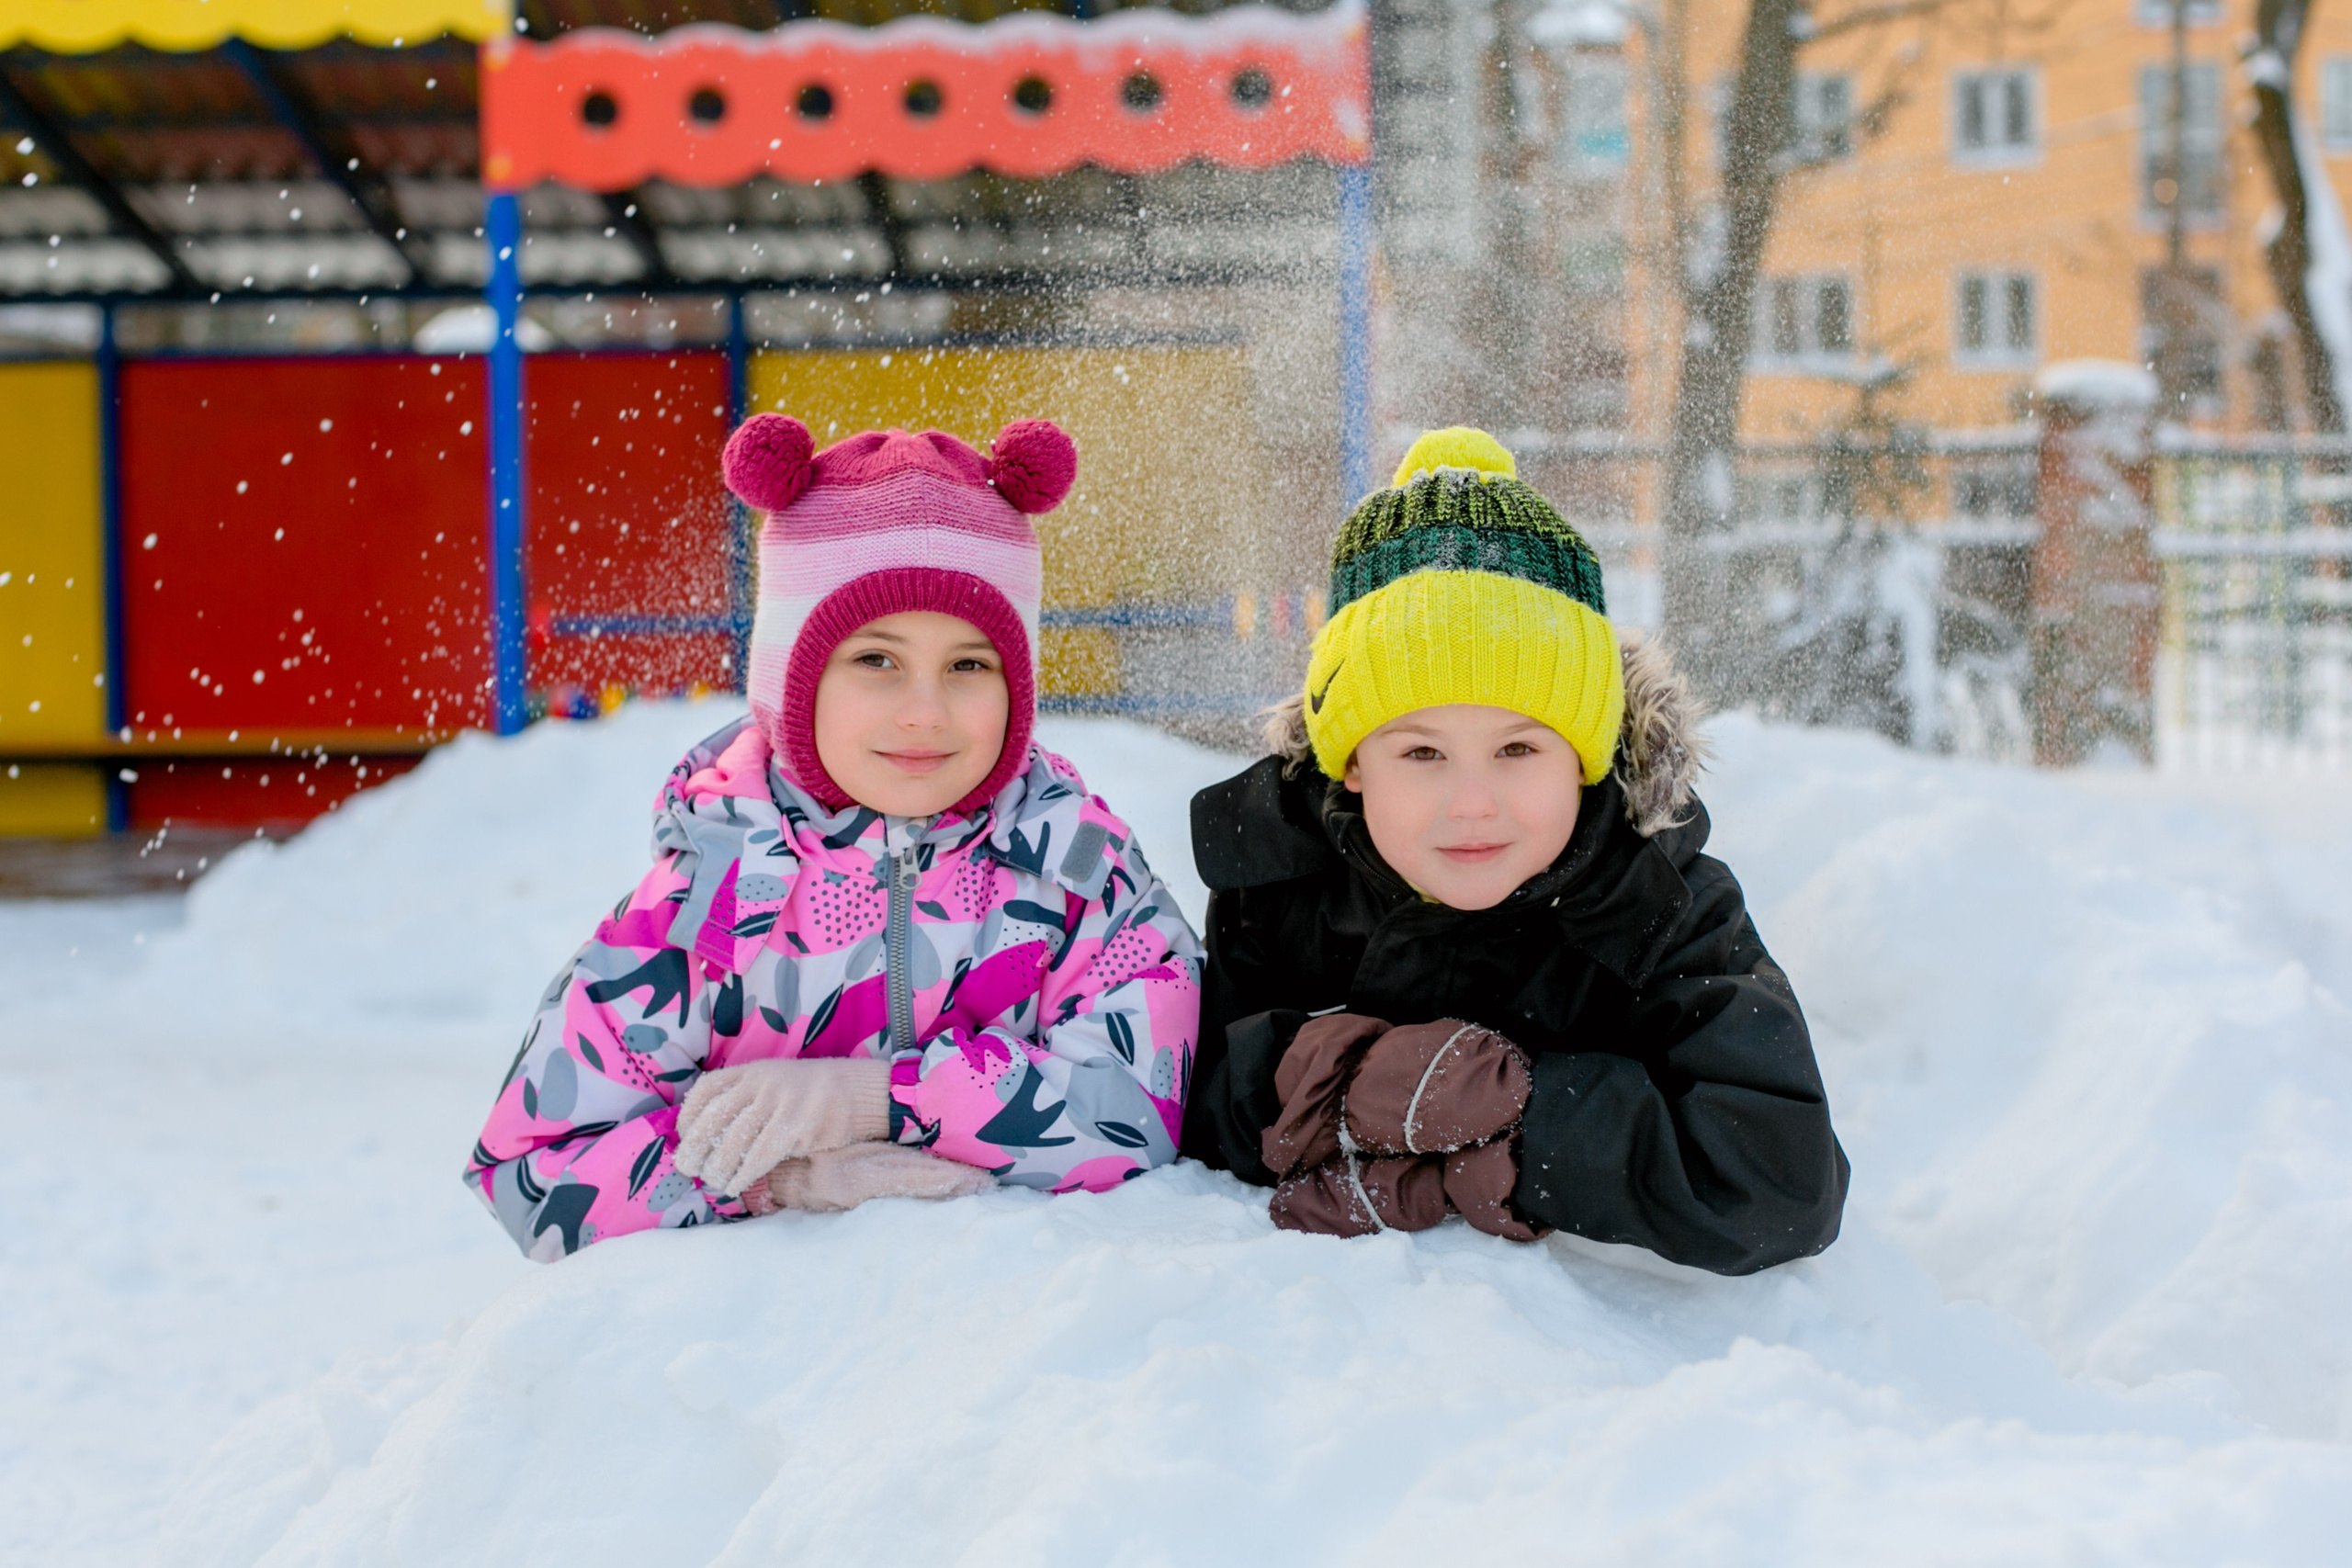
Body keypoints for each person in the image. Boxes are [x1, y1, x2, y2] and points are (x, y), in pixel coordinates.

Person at [468, 414, 1203, 1260]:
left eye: (969, 664)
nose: (926, 710)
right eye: (876, 660)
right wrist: (776, 1179)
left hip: (1021, 1329)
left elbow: (1140, 1110)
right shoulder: (706, 904)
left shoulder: (1077, 873)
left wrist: (882, 1099)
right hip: (774, 1339)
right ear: (793, 673)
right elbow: (535, 1175)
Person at [1181, 427, 1847, 1274]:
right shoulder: (1281, 877)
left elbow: (1780, 1181)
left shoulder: (1657, 905)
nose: (1472, 802)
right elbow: (1186, 1094)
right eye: (1423, 752)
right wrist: (1353, 1080)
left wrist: (1517, 1120)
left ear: (1585, 759)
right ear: (1351, 763)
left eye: (1518, 749)